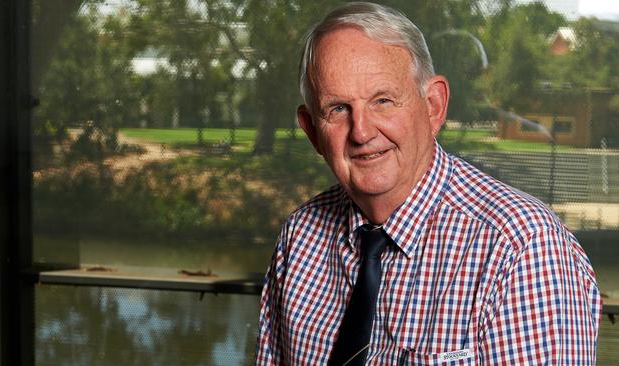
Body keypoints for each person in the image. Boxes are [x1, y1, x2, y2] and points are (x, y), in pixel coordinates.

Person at [256, 2, 601, 365]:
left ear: (434, 106)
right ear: (312, 131)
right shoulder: (299, 239)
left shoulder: (521, 248)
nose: (361, 131)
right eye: (338, 109)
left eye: (383, 101)